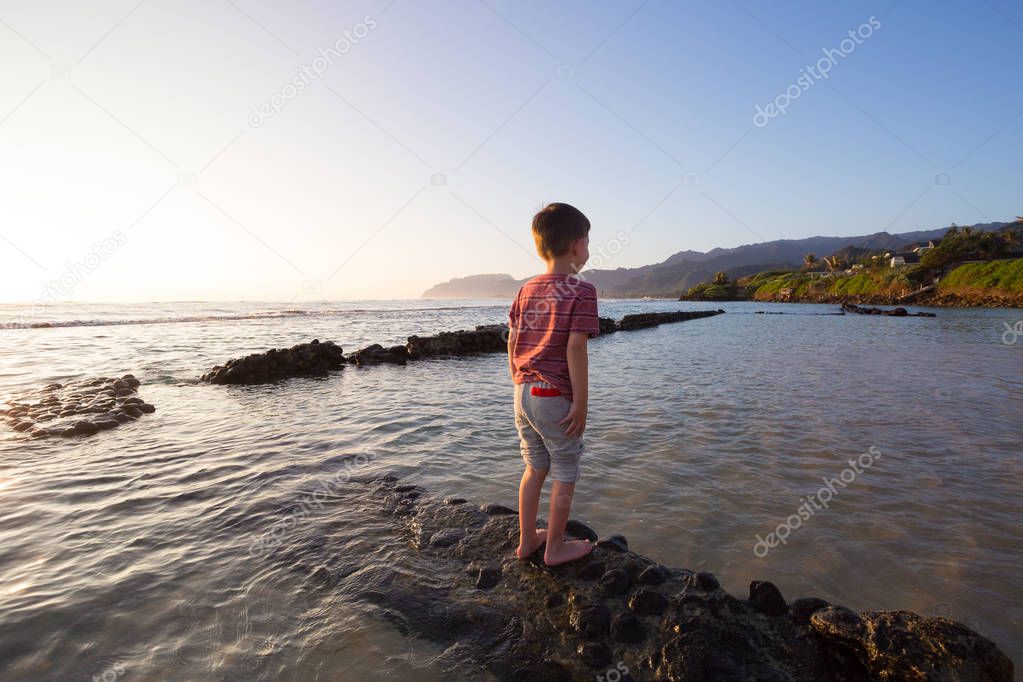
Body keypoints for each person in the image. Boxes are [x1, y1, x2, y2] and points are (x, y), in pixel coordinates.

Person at [507, 202, 599, 566]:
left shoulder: (526, 289)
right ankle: (555, 548)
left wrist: (516, 375)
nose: (588, 250)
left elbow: (512, 340)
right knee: (566, 469)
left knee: (534, 465)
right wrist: (581, 403)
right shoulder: (582, 290)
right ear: (577, 245)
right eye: (588, 242)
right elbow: (576, 347)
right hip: (553, 394)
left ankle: (528, 539)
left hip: (523, 392)